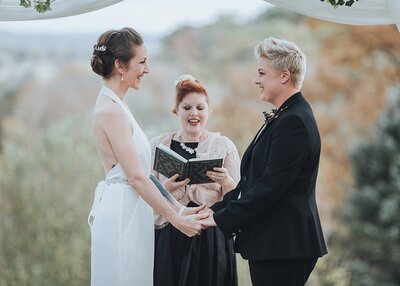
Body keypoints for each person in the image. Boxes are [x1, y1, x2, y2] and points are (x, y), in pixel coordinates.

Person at [200, 37, 328, 286]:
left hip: (284, 246)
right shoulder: (286, 116)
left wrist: (221, 219)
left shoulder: (294, 122)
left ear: (284, 75)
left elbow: (269, 187)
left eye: (261, 73)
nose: (256, 79)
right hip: (275, 244)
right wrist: (214, 210)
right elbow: (251, 182)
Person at [87, 28, 208, 286]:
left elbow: (143, 175)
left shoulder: (118, 105)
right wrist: (176, 220)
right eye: (142, 62)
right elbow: (137, 178)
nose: (147, 69)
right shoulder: (111, 111)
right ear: (120, 65)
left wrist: (181, 209)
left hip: (133, 209)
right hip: (122, 213)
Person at [149, 74, 241, 286]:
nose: (194, 113)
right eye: (187, 107)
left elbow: (237, 202)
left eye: (200, 108)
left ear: (208, 110)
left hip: (212, 238)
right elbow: (146, 194)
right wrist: (166, 188)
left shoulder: (224, 146)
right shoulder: (156, 146)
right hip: (170, 236)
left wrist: (226, 181)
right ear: (177, 110)